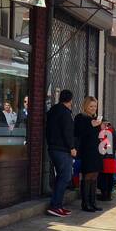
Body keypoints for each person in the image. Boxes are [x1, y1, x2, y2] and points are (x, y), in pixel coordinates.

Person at [44, 90, 77, 218]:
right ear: (70, 100)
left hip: (52, 148)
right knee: (65, 177)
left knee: (60, 176)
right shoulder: (65, 113)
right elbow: (67, 132)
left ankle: (57, 205)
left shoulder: (52, 111)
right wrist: (72, 147)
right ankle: (55, 206)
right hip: (62, 150)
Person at [74, 96, 102, 213]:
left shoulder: (96, 118)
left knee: (95, 175)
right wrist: (92, 125)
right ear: (86, 106)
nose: (93, 108)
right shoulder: (80, 118)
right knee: (87, 175)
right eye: (91, 106)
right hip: (86, 150)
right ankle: (85, 203)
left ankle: (93, 201)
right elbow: (78, 133)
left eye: (95, 106)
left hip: (96, 150)